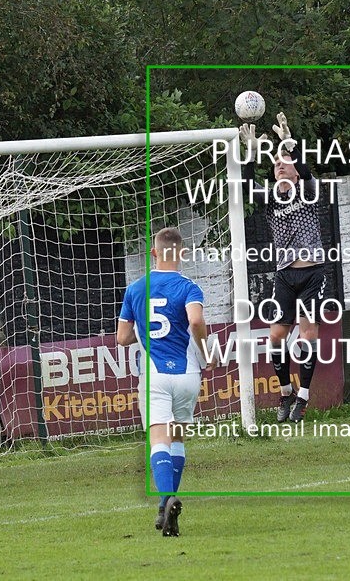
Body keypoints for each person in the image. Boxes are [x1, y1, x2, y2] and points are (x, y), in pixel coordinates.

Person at [116, 227, 216, 536]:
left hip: (154, 375)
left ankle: (165, 501)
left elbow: (122, 338)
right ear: (183, 253)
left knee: (158, 439)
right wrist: (205, 349)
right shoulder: (189, 287)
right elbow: (196, 321)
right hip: (186, 373)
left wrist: (143, 328)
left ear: (154, 253)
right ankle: (165, 506)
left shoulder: (136, 288)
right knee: (177, 440)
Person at [240, 112, 325, 423]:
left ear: (296, 172)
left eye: (285, 161)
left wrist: (289, 142)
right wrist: (251, 153)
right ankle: (286, 391)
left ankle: (303, 396)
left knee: (307, 334)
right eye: (276, 162)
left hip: (312, 273)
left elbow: (306, 169)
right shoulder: (272, 198)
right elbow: (248, 185)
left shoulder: (309, 192)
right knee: (275, 337)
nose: (279, 164)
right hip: (285, 276)